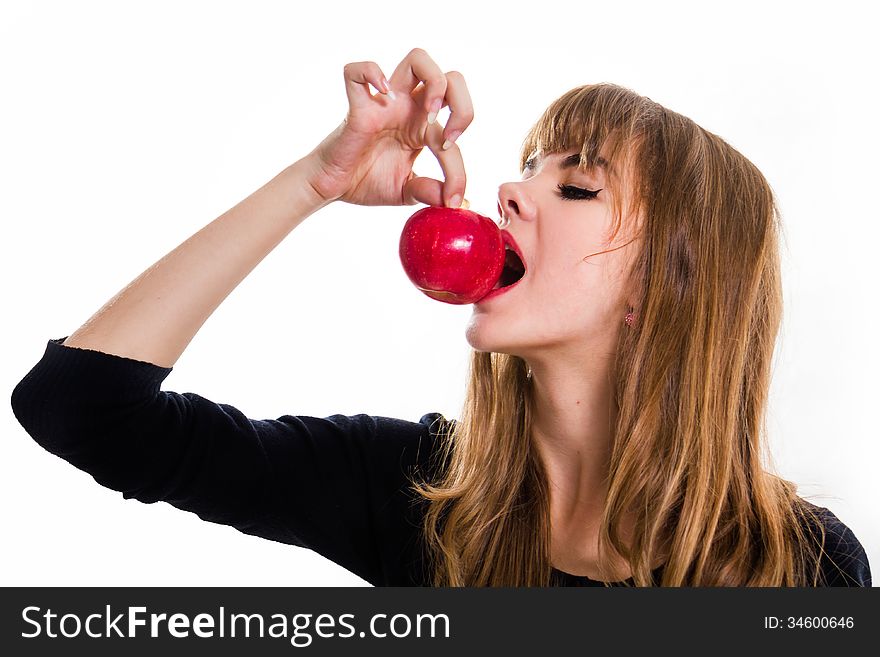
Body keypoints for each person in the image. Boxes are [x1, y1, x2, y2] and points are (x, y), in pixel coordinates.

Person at [10, 48, 871, 587]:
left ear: (666, 286)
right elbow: (80, 407)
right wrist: (316, 182)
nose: (507, 191)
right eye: (529, 166)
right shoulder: (422, 495)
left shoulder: (800, 570)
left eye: (574, 185)